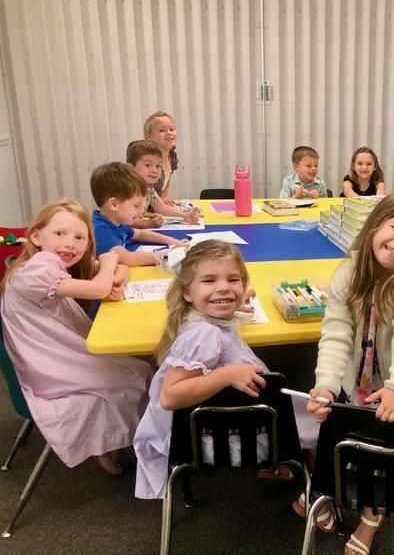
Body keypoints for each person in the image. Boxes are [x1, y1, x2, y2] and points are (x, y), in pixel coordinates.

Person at [303, 193, 394, 555]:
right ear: (374, 227)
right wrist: (326, 386)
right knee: (365, 446)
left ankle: (371, 517)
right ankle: (341, 498)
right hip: (363, 375)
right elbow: (336, 334)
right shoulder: (347, 273)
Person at [0, 198, 152, 475]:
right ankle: (109, 443)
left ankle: (117, 439)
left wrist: (116, 277)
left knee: (141, 371)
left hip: (56, 354)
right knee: (138, 377)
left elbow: (117, 272)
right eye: (60, 233)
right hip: (49, 366)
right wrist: (109, 266)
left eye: (79, 237)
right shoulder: (39, 268)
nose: (70, 243)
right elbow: (99, 286)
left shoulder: (52, 261)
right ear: (36, 236)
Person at [133, 240, 268, 499]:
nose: (223, 287)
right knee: (319, 422)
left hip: (208, 427)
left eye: (233, 280)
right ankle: (310, 488)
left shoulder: (200, 319)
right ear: (187, 292)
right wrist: (227, 374)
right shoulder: (204, 335)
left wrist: (228, 303)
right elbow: (170, 396)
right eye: (209, 281)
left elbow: (215, 296)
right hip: (224, 437)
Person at [90, 162, 186, 266]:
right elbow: (129, 259)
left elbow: (140, 234)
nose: (141, 211)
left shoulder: (115, 220)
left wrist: (173, 241)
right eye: (136, 206)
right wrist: (170, 253)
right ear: (114, 204)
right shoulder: (100, 230)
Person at [126, 140, 201, 229]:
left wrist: (185, 216)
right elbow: (126, 220)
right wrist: (149, 224)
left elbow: (162, 208)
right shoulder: (127, 190)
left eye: (158, 166)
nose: (155, 170)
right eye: (148, 165)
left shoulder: (148, 188)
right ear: (130, 168)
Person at [143, 111, 180, 202]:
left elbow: (167, 179)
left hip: (155, 204)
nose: (169, 133)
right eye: (162, 130)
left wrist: (163, 197)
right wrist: (159, 204)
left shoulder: (171, 156)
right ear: (148, 137)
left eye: (172, 129)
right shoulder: (146, 160)